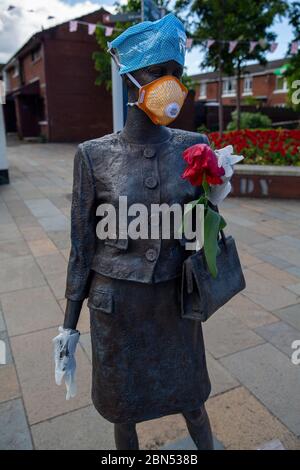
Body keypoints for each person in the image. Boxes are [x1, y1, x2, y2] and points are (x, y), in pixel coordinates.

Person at [53, 13, 218, 450]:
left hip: (173, 304)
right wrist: (67, 327)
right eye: (157, 72)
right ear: (130, 78)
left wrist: (214, 205)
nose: (170, 84)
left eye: (176, 73)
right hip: (117, 309)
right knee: (123, 414)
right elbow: (81, 246)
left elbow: (199, 234)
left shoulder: (193, 147)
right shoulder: (93, 156)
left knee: (193, 401)